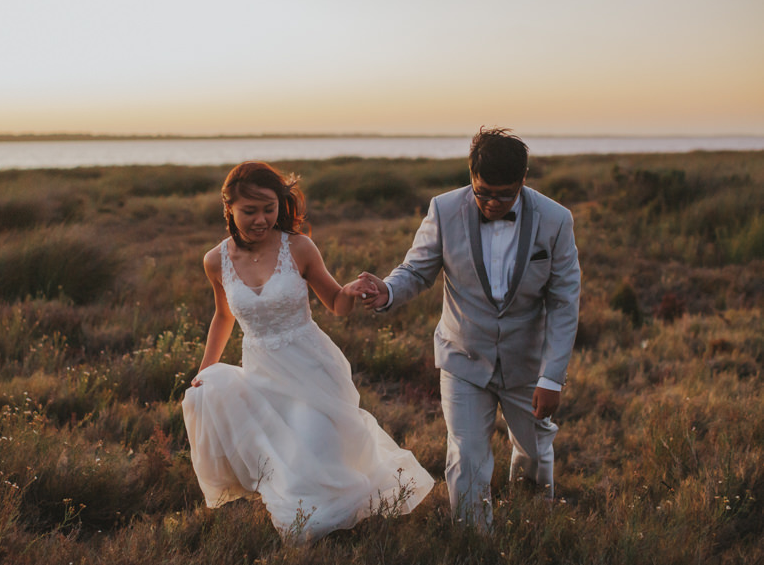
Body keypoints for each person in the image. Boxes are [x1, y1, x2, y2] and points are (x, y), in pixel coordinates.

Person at [182, 161, 434, 542]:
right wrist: (205, 371)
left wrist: (349, 293)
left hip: (310, 368)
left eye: (270, 208)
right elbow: (223, 316)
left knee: (315, 447)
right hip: (261, 373)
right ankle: (310, 526)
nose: (262, 219)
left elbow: (335, 302)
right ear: (229, 208)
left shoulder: (298, 247)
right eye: (250, 211)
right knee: (281, 453)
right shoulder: (215, 260)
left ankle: (338, 523)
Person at [356, 127, 581, 530]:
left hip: (528, 365)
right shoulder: (443, 209)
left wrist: (552, 377)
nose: (493, 203)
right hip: (463, 356)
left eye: (504, 194)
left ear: (523, 181)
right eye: (483, 192)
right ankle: (474, 540)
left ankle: (530, 522)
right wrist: (388, 291)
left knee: (534, 452)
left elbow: (564, 301)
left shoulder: (556, 220)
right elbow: (417, 270)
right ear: (471, 175)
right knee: (467, 454)